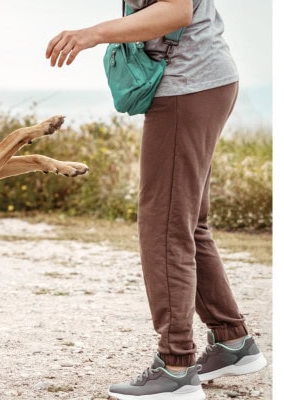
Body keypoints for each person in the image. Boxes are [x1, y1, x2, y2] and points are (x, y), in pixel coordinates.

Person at [45, 0, 268, 399]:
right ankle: (232, 341)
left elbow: (176, 10)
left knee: (163, 226)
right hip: (201, 82)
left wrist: (92, 33)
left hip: (187, 86)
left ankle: (176, 366)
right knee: (186, 222)